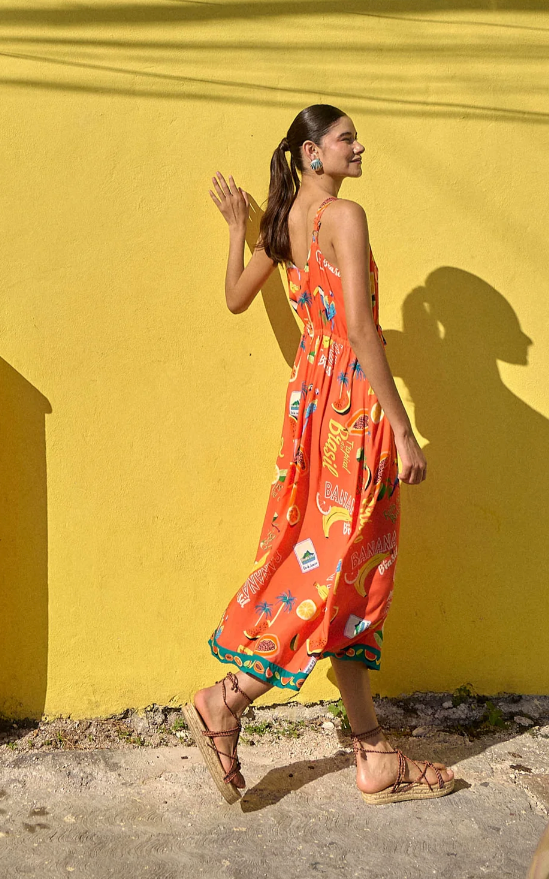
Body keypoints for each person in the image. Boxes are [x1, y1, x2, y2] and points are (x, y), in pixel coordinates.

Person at [183, 104, 454, 806]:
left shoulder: (284, 228)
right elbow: (361, 328)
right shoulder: (344, 216)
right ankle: (227, 700)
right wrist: (400, 428)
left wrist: (239, 231)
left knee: (346, 570)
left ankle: (370, 754)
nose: (359, 148)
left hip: (310, 406)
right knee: (335, 570)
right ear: (311, 153)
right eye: (345, 139)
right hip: (355, 407)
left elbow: (235, 298)